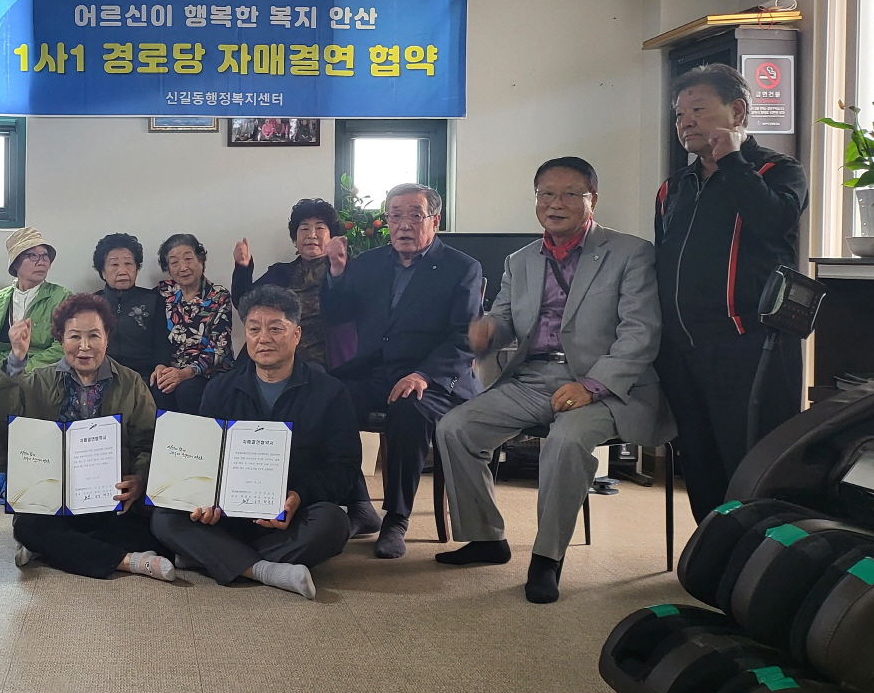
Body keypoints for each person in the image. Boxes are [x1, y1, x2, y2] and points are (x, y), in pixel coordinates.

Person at [435, 157, 676, 604]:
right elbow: (506, 316)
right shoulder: (521, 260)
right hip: (535, 378)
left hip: (605, 386)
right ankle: (487, 537)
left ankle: (547, 558)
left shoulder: (630, 252)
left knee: (565, 441)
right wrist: (489, 330)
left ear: (593, 199)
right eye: (546, 194)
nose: (555, 203)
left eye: (569, 194)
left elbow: (641, 333)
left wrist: (591, 385)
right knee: (456, 427)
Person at [654, 64, 809, 522]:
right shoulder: (673, 188)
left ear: (737, 110)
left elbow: (772, 223)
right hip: (683, 348)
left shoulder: (777, 171)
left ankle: (758, 567)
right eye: (680, 113)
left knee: (753, 463)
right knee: (699, 463)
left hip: (750, 344)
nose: (685, 122)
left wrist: (733, 161)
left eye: (698, 109)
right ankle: (714, 559)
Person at [152, 286, 360, 599]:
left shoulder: (330, 392)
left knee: (334, 523)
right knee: (164, 517)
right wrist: (205, 498)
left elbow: (343, 467)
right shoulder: (220, 389)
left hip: (288, 515)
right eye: (254, 329)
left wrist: (299, 496)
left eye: (276, 328)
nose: (264, 338)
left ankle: (209, 557)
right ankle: (265, 569)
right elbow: (206, 458)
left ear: (296, 334)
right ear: (246, 335)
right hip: (227, 516)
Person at [322, 183, 483, 559]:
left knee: (408, 409)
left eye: (414, 215)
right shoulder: (371, 263)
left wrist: (423, 375)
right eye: (395, 215)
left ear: (435, 221)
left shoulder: (462, 268)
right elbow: (337, 315)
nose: (403, 224)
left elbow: (465, 338)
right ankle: (359, 503)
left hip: (436, 378)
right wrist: (335, 273)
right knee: (326, 396)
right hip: (377, 371)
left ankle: (396, 517)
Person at [0, 293, 174, 582]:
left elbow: (149, 442)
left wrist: (138, 479)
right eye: (75, 336)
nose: (84, 347)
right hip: (54, 497)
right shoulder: (38, 380)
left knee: (156, 528)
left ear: (107, 337)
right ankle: (126, 561)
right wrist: (16, 358)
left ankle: (52, 550)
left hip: (110, 497)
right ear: (61, 338)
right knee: (28, 526)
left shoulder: (130, 382)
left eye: (94, 336)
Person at [0, 227, 72, 498]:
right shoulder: (0, 299)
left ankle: (32, 467)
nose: (41, 261)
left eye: (45, 256)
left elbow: (62, 345)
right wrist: (5, 367)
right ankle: (1, 467)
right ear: (16, 263)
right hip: (9, 364)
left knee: (30, 386)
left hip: (48, 369)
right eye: (32, 255)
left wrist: (26, 367)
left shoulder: (60, 295)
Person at [230, 198, 340, 366]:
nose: (311, 235)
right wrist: (243, 268)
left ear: (331, 236)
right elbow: (244, 303)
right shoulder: (280, 272)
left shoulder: (341, 271)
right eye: (304, 228)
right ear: (295, 239)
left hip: (318, 357)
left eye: (319, 227)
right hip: (274, 349)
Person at [153, 233, 234, 415]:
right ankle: (167, 443)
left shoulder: (219, 296)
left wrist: (185, 373)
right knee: (158, 387)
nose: (183, 267)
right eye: (174, 262)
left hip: (209, 372)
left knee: (187, 390)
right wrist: (160, 367)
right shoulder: (164, 292)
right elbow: (157, 336)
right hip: (172, 370)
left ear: (201, 261)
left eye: (188, 259)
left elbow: (219, 348)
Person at [91, 232, 171, 386]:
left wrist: (161, 366)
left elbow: (161, 343)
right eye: (114, 265)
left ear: (137, 268)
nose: (122, 271)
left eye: (128, 264)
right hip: (102, 376)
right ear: (102, 271)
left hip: (144, 377)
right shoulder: (92, 304)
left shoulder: (154, 300)